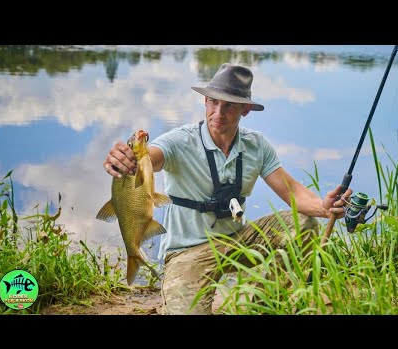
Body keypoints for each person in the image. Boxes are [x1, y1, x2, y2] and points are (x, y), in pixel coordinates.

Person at [103, 63, 353, 315]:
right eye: (213, 102)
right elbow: (152, 158)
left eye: (229, 105)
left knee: (305, 224)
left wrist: (324, 206)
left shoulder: (257, 146)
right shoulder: (179, 140)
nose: (218, 112)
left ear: (245, 109)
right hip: (187, 252)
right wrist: (127, 161)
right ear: (204, 100)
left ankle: (260, 302)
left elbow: (294, 193)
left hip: (237, 242)